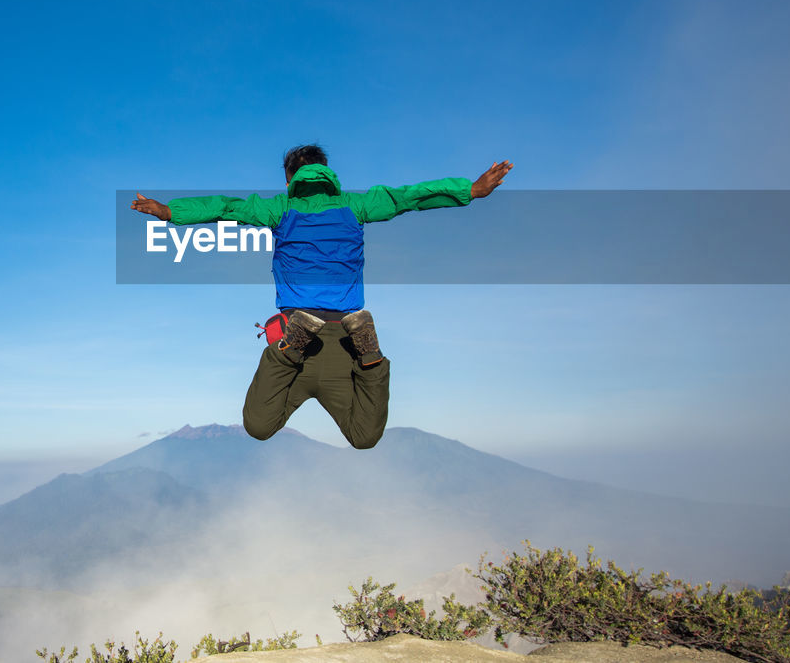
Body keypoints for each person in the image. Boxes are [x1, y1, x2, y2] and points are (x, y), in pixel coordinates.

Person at [132, 145, 511, 449]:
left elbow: (226, 207)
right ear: (328, 171)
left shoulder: (280, 207)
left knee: (258, 426)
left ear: (289, 179)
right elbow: (408, 197)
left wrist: (170, 212)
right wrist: (470, 190)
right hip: (346, 338)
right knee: (365, 438)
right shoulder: (356, 204)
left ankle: (302, 349)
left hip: (298, 340)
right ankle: (371, 357)